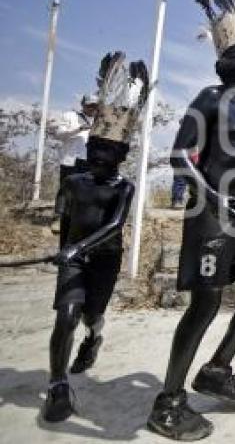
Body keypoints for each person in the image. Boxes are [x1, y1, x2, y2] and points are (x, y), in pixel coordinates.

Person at [147, 0, 235, 441]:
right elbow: (181, 154)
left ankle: (217, 369)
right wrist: (214, 195)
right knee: (204, 304)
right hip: (212, 212)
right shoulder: (209, 98)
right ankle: (168, 402)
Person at [44, 52, 148, 422]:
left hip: (104, 258)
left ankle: (95, 337)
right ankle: (58, 385)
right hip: (73, 260)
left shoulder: (124, 187)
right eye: (95, 149)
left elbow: (115, 226)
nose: (99, 156)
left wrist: (77, 248)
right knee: (66, 314)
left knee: (91, 314)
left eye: (108, 151)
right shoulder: (73, 182)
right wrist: (65, 252)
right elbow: (65, 219)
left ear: (121, 154)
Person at [52, 95, 98, 239]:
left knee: (87, 193)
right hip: (71, 160)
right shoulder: (70, 116)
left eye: (95, 105)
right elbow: (58, 135)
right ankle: (59, 220)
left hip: (89, 161)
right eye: (90, 105)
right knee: (66, 190)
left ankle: (81, 222)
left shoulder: (99, 120)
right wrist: (78, 129)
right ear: (83, 105)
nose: (92, 108)